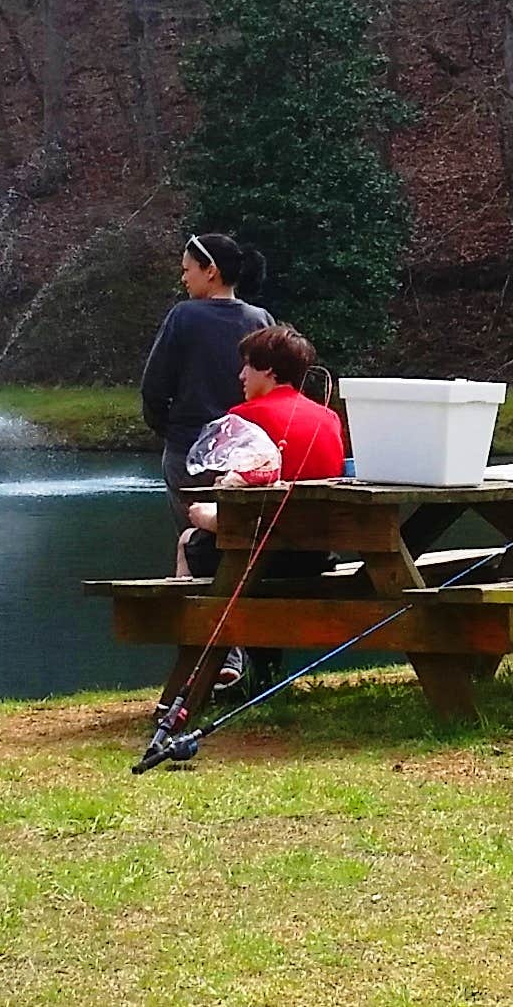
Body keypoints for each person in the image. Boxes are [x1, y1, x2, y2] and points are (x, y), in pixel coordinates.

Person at [159, 323, 351, 722]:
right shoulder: (329, 419)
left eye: (248, 366)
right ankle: (259, 679)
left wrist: (203, 516)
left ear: (270, 371)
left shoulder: (243, 419)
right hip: (316, 556)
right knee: (234, 549)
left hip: (261, 555)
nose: (241, 376)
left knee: (194, 543)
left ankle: (197, 673)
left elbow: (234, 510)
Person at [140, 232, 275, 514]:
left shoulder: (184, 315)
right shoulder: (261, 320)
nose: (183, 278)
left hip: (188, 452)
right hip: (247, 458)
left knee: (193, 544)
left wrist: (172, 432)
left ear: (210, 271)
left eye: (187, 269)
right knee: (238, 543)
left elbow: (153, 388)